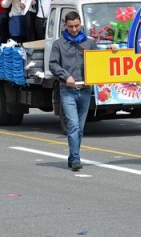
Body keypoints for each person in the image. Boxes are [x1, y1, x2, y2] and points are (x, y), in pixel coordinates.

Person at [49, 11, 98, 171]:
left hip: (84, 90)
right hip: (67, 90)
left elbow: (101, 60)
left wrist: (112, 50)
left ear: (81, 24)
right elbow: (53, 64)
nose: (74, 29)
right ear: (65, 26)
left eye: (77, 26)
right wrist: (66, 76)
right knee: (73, 125)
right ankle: (76, 158)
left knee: (81, 128)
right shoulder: (59, 44)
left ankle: (73, 156)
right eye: (71, 27)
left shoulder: (89, 43)